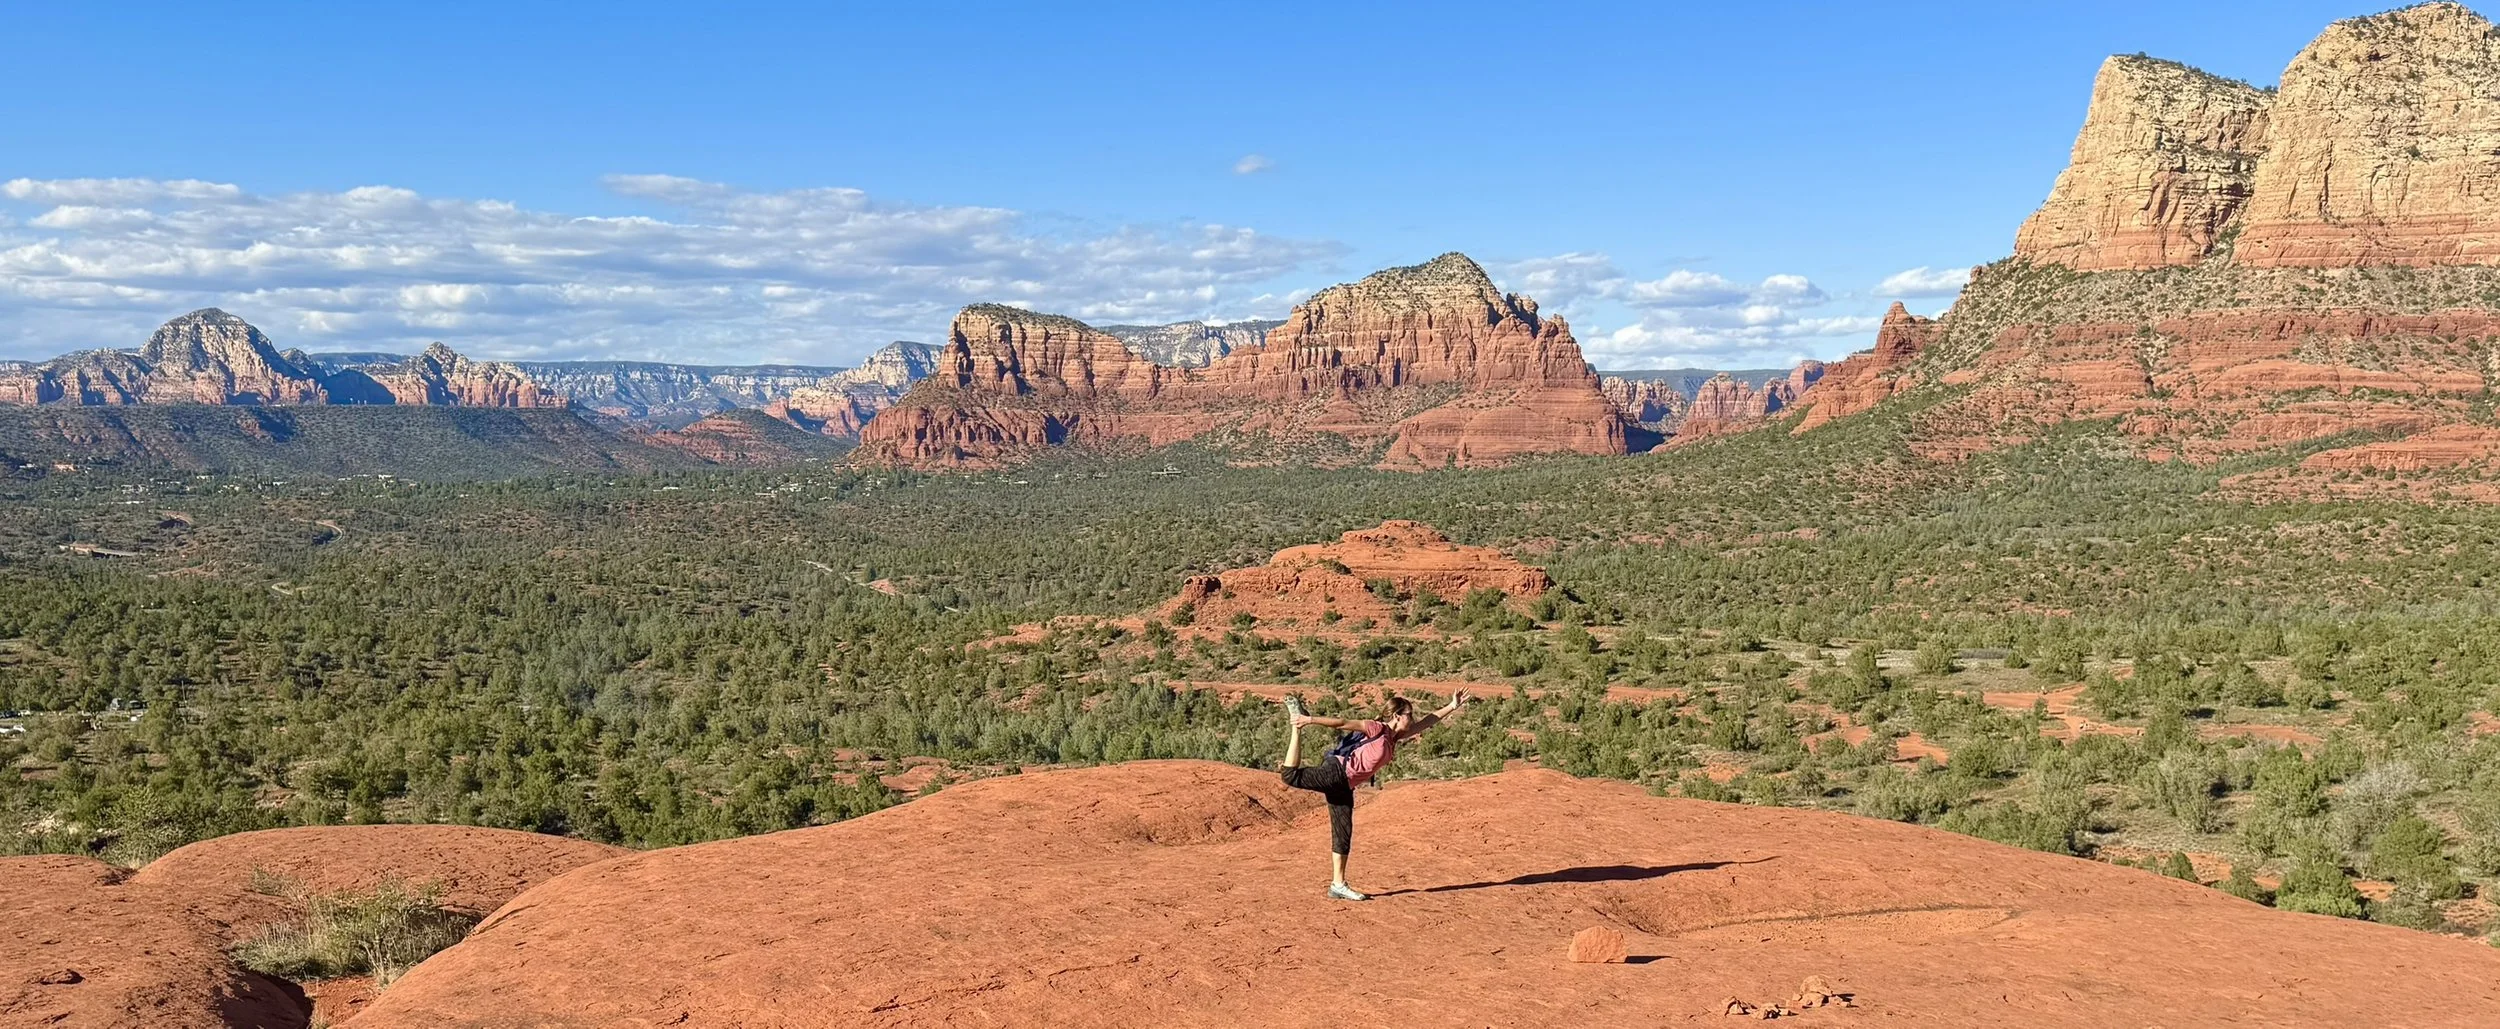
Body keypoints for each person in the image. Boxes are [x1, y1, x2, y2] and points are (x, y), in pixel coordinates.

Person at [1276, 690, 1468, 901]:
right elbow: (1342, 723)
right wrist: (1307, 720)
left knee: (1343, 832)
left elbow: (1428, 722)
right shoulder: (1377, 728)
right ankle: (1296, 727)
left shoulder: (1395, 737)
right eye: (1409, 715)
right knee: (1289, 775)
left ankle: (1338, 885)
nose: (1412, 719)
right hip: (1337, 772)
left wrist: (1452, 706)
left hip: (1345, 784)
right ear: (1397, 716)